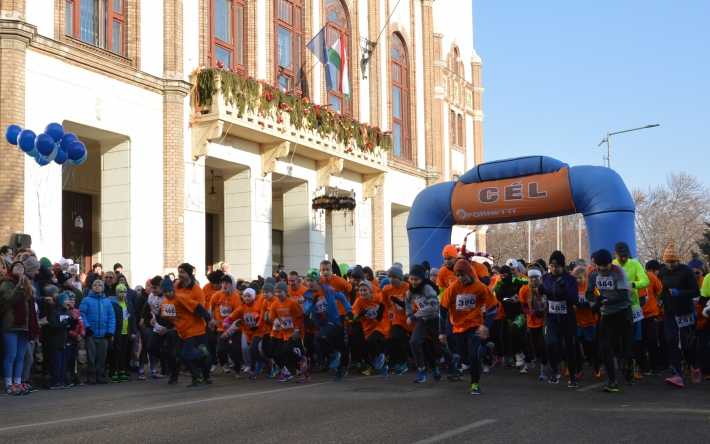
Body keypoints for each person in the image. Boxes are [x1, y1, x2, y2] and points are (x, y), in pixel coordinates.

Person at [439, 259, 498, 394]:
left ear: (469, 273)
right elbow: (442, 309)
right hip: (459, 327)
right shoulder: (452, 289)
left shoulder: (480, 287)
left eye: (463, 275)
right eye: (457, 275)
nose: (460, 278)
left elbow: (494, 306)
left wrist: (485, 324)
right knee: (465, 359)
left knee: (473, 356)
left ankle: (475, 384)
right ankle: (488, 349)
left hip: (475, 325)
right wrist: (441, 331)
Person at [586, 249, 634, 392]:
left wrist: (604, 301)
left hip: (623, 311)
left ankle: (630, 363)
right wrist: (596, 299)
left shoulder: (618, 272)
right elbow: (589, 293)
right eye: (598, 265)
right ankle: (612, 381)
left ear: (610, 263)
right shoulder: (593, 273)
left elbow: (624, 295)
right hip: (607, 315)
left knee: (624, 349)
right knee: (605, 346)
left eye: (604, 265)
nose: (601, 269)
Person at [155, 276, 213, 387]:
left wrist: (209, 319)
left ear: (173, 290)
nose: (167, 293)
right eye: (165, 291)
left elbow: (198, 308)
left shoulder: (182, 299)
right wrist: (157, 317)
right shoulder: (165, 303)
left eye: (169, 291)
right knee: (181, 356)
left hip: (192, 329)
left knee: (186, 355)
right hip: (181, 332)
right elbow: (167, 320)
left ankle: (202, 350)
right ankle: (197, 377)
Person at [406, 264, 459, 383]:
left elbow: (434, 307)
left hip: (435, 321)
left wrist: (415, 316)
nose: (413, 282)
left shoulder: (428, 289)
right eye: (411, 279)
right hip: (423, 321)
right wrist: (409, 314)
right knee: (414, 342)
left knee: (440, 349)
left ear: (422, 279)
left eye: (416, 279)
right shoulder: (411, 290)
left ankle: (452, 360)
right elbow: (407, 301)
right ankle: (422, 370)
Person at [657, 244, 701, 387]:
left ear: (678, 260)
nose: (670, 265)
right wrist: (662, 298)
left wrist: (679, 293)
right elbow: (664, 289)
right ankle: (676, 374)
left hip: (686, 311)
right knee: (671, 341)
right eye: (668, 262)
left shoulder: (687, 271)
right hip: (670, 311)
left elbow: (695, 292)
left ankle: (695, 366)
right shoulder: (663, 272)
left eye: (673, 262)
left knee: (689, 343)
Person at [538, 251, 580, 388]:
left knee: (569, 348)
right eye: (551, 266)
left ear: (563, 267)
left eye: (557, 267)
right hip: (551, 317)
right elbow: (543, 291)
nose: (554, 269)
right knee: (549, 342)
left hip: (568, 319)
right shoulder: (546, 278)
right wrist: (540, 290)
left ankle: (572, 377)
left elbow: (575, 300)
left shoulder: (571, 279)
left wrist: (564, 286)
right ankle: (555, 370)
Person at [302, 269, 354, 381]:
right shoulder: (307, 295)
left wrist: (349, 310)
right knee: (325, 345)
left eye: (311, 280)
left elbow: (341, 296)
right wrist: (311, 307)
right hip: (323, 324)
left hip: (335, 320)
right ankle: (340, 368)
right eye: (307, 281)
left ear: (317, 281)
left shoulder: (328, 290)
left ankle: (336, 356)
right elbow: (306, 310)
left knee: (319, 338)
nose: (309, 283)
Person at [1, 261, 39, 396]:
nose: (20, 268)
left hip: (25, 325)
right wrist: (19, 286)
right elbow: (10, 300)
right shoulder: (7, 282)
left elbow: (30, 307)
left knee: (20, 356)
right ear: (12, 269)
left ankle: (18, 383)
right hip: (11, 325)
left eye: (22, 267)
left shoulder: (27, 283)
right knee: (11, 355)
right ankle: (8, 384)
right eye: (17, 267)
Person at [222, 288, 271, 380]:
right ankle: (268, 361)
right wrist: (227, 321)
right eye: (245, 296)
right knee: (256, 353)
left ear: (253, 296)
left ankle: (253, 371)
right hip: (248, 333)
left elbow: (261, 316)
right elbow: (232, 316)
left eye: (249, 296)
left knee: (251, 348)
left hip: (258, 331)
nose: (247, 298)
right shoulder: (242, 308)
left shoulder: (257, 306)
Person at [269, 281, 309, 382]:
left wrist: (297, 330)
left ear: (285, 292)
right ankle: (288, 372)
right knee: (277, 354)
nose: (278, 294)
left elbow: (300, 317)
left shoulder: (292, 303)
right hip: (284, 333)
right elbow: (273, 319)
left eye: (280, 291)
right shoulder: (274, 304)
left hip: (296, 332)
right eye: (276, 292)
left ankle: (301, 360)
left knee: (286, 350)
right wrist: (269, 320)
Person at [493, 265, 531, 371]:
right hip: (508, 315)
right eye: (502, 276)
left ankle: (524, 357)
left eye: (506, 275)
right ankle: (522, 357)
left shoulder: (518, 281)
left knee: (513, 332)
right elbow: (492, 297)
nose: (504, 278)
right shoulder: (499, 285)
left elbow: (531, 282)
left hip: (520, 313)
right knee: (514, 337)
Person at [79, 279, 116, 385]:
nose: (97, 286)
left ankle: (100, 374)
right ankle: (91, 375)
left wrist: (110, 331)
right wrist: (87, 327)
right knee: (91, 356)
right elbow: (82, 314)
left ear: (103, 288)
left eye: (100, 285)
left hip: (104, 334)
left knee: (102, 356)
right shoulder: (86, 300)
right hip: (91, 333)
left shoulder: (107, 302)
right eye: (95, 284)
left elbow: (111, 317)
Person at [351, 280, 388, 377]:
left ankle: (380, 356)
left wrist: (381, 312)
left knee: (371, 341)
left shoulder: (378, 297)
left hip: (380, 325)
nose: (363, 292)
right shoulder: (359, 301)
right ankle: (380, 363)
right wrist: (359, 315)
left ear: (370, 290)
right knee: (367, 344)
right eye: (361, 290)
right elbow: (353, 318)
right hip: (368, 327)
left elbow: (386, 301)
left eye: (365, 290)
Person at [210, 273, 243, 375]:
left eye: (227, 283)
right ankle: (224, 364)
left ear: (232, 285)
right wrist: (211, 321)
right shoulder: (217, 295)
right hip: (221, 327)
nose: (224, 285)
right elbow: (210, 309)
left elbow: (238, 315)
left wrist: (230, 330)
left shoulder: (236, 297)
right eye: (223, 283)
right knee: (220, 349)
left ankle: (237, 369)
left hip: (235, 328)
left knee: (236, 350)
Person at [381, 265, 411, 375]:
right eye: (389, 276)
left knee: (417, 343)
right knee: (394, 338)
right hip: (398, 320)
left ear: (400, 277)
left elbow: (412, 305)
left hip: (411, 320)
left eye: (394, 276)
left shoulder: (408, 288)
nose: (391, 279)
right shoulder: (386, 289)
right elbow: (385, 304)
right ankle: (402, 362)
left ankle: (423, 362)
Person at [520, 266, 548, 379]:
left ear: (540, 277)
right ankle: (544, 361)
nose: (533, 280)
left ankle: (544, 369)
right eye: (531, 278)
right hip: (532, 321)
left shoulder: (546, 288)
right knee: (536, 349)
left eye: (536, 277)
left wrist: (546, 312)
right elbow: (523, 307)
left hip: (546, 320)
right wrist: (533, 312)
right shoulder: (524, 290)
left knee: (543, 345)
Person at [46, 293, 79, 389]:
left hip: (64, 342)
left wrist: (73, 324)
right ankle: (55, 381)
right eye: (66, 300)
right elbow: (52, 326)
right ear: (60, 301)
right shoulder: (54, 312)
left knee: (63, 363)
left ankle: (61, 380)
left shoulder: (68, 312)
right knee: (56, 362)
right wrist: (64, 322)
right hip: (55, 342)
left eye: (69, 300)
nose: (68, 302)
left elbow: (68, 328)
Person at [637, 260, 663, 377]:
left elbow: (659, 290)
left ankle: (655, 365)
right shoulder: (630, 279)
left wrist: (659, 304)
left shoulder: (651, 277)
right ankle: (643, 366)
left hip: (651, 313)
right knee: (639, 341)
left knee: (652, 338)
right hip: (637, 313)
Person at [107, 284, 137, 383]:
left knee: (124, 353)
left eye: (124, 292)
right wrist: (111, 333)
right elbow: (110, 318)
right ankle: (113, 372)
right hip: (117, 333)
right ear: (116, 293)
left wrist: (133, 331)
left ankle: (121, 371)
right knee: (116, 353)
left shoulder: (128, 304)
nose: (123, 294)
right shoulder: (113, 303)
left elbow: (132, 318)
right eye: (120, 292)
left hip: (126, 333)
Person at [65, 293, 85, 386]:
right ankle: (65, 377)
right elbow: (67, 327)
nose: (72, 301)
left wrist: (81, 334)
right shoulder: (65, 311)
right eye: (70, 299)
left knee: (74, 358)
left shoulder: (77, 311)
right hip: (68, 339)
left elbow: (81, 324)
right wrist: (74, 335)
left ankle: (74, 376)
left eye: (73, 299)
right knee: (67, 359)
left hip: (76, 339)